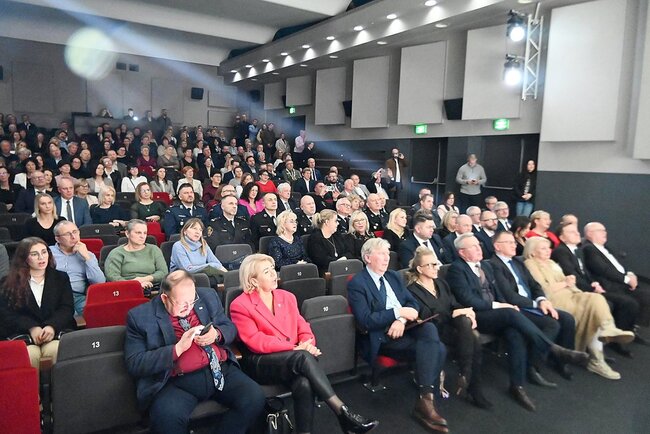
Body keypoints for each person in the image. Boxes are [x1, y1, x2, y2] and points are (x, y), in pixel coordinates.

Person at [230, 254, 378, 434]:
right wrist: (294, 348)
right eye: (266, 272)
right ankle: (342, 412)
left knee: (304, 382)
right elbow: (255, 341)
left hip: (294, 357)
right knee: (302, 358)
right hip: (260, 362)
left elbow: (303, 326)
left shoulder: (287, 297)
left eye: (273, 269)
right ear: (253, 280)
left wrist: (307, 342)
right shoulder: (240, 305)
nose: (274, 274)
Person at [445, 233, 589, 412]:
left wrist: (505, 304)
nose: (478, 248)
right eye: (473, 247)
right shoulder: (457, 269)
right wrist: (501, 305)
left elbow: (498, 292)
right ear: (462, 252)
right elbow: (468, 300)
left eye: (478, 245)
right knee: (511, 313)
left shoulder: (485, 266)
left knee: (516, 334)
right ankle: (553, 348)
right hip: (478, 316)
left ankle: (517, 386)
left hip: (498, 313)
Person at [124, 270, 265, 434]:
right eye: (182, 303)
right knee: (166, 418)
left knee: (254, 397)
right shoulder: (140, 317)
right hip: (176, 382)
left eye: (192, 301)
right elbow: (135, 363)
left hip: (219, 370)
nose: (189, 307)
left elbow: (229, 327)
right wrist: (177, 349)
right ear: (164, 298)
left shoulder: (207, 296)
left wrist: (217, 334)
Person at [348, 238, 449, 432]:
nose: (387, 258)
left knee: (429, 329)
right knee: (439, 348)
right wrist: (397, 312)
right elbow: (366, 320)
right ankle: (427, 401)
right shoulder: (358, 283)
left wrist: (401, 320)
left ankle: (425, 400)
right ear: (368, 258)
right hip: (383, 336)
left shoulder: (393, 276)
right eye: (381, 254)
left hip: (406, 328)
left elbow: (413, 304)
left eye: (388, 254)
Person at [524, 236, 634, 380]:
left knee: (597, 300)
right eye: (543, 248)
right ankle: (597, 359)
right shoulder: (530, 264)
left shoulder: (551, 263)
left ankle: (606, 333)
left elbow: (567, 283)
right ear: (532, 252)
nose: (548, 251)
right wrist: (566, 283)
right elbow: (543, 290)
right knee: (594, 309)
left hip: (571, 294)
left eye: (548, 248)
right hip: (554, 300)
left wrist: (570, 283)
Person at [406, 247, 490, 408]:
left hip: (451, 328)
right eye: (430, 265)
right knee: (472, 337)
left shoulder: (441, 283)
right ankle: (469, 380)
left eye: (436, 264)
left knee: (468, 328)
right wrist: (454, 313)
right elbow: (426, 316)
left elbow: (454, 304)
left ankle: (467, 376)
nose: (436, 267)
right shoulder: (412, 290)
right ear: (420, 269)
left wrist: (467, 312)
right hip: (431, 333)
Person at [489, 231, 577, 383]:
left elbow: (535, 285)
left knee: (567, 319)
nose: (514, 245)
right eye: (509, 242)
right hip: (516, 308)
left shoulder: (517, 262)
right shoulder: (494, 265)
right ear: (497, 246)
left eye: (513, 242)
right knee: (552, 324)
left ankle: (561, 362)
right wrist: (536, 304)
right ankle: (532, 366)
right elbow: (509, 296)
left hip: (532, 304)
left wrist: (542, 300)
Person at [552, 223, 640, 349]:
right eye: (571, 232)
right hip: (575, 290)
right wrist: (592, 288)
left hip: (589, 286)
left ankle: (619, 335)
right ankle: (613, 341)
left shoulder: (577, 251)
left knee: (629, 299)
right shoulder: (561, 251)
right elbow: (571, 274)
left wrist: (594, 283)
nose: (577, 233)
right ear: (562, 238)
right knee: (626, 302)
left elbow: (585, 272)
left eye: (576, 231)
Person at [0, 237, 76, 369]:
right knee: (29, 354)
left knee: (56, 350)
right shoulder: (8, 282)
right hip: (23, 333)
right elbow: (7, 314)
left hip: (54, 331)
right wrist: (31, 327)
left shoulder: (60, 278)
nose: (41, 257)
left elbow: (67, 308)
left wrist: (51, 326)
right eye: (34, 254)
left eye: (44, 252)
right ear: (24, 258)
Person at [582, 221, 650, 329]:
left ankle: (636, 326)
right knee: (631, 303)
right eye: (600, 231)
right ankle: (623, 332)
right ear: (589, 233)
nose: (605, 233)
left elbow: (619, 265)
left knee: (646, 296)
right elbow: (604, 270)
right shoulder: (589, 249)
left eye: (605, 230)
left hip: (622, 282)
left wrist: (630, 274)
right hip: (611, 286)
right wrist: (627, 280)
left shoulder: (606, 248)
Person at [50, 221, 106, 315]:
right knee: (68, 316)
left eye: (75, 232)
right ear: (57, 239)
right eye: (67, 234)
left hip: (78, 296)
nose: (73, 237)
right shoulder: (48, 253)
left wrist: (87, 258)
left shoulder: (88, 254)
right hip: (55, 296)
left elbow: (99, 282)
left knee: (97, 314)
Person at [104, 219, 168, 292]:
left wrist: (144, 279)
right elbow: (113, 276)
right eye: (138, 233)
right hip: (125, 290)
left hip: (153, 289)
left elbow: (163, 272)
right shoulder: (116, 253)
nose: (142, 236)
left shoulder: (154, 249)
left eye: (145, 233)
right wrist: (135, 284)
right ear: (127, 234)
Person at [170, 218, 227, 286]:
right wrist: (208, 267)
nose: (198, 232)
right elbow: (187, 269)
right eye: (194, 228)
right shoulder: (178, 246)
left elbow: (217, 264)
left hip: (202, 279)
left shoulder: (203, 244)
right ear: (185, 231)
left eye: (200, 230)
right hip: (183, 281)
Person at [307, 209, 353, 276]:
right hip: (326, 272)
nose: (338, 223)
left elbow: (349, 251)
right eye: (335, 221)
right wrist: (338, 262)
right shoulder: (315, 238)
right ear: (327, 222)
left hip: (343, 267)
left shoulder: (337, 235)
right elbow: (321, 260)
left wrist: (344, 258)